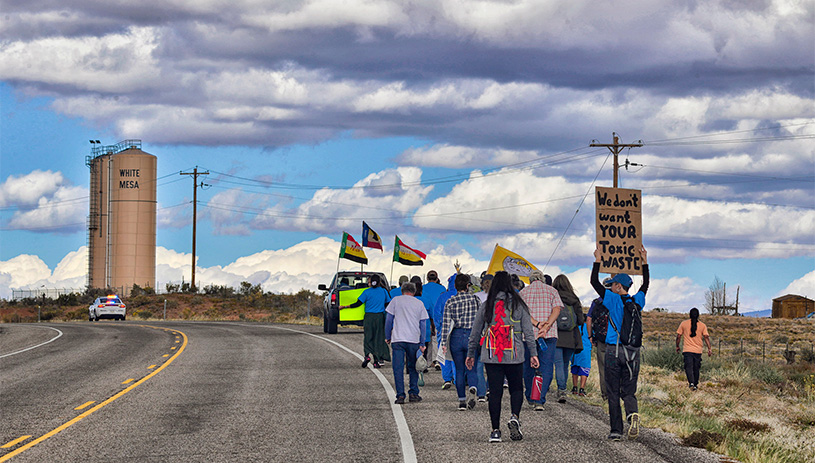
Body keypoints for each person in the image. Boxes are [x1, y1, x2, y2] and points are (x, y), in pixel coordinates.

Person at [466, 271, 539, 443]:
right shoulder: (520, 305)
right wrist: (533, 354)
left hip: (492, 355)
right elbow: (529, 332)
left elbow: (475, 332)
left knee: (495, 392)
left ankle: (495, 431)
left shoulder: (487, 305)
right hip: (515, 354)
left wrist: (470, 354)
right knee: (516, 389)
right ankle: (514, 416)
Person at [590, 245, 649, 442]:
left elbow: (593, 282)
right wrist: (644, 261)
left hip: (613, 351)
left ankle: (616, 430)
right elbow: (645, 285)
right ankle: (632, 413)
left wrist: (598, 259)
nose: (612, 286)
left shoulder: (612, 300)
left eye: (614, 284)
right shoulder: (637, 300)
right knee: (629, 390)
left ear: (617, 287)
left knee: (613, 391)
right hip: (633, 352)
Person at [519, 269, 562, 411]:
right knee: (546, 366)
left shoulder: (523, 293)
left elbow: (523, 313)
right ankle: (540, 400)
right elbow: (557, 309)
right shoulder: (552, 291)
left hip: (529, 334)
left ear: (530, 280)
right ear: (542, 279)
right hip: (548, 334)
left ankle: (530, 396)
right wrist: (547, 325)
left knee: (528, 366)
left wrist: (537, 324)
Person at [440, 274, 483, 410]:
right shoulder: (475, 299)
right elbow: (481, 319)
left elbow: (446, 324)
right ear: (467, 285)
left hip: (456, 336)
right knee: (472, 366)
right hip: (472, 335)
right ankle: (473, 387)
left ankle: (462, 401)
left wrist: (443, 343)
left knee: (459, 369)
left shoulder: (451, 301)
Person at [385, 282, 429, 404]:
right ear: (414, 292)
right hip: (413, 339)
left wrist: (388, 336)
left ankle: (400, 395)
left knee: (398, 368)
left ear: (402, 291)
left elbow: (389, 320)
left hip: (398, 339)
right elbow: (423, 324)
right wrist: (422, 342)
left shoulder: (395, 301)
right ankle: (413, 393)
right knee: (413, 367)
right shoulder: (419, 303)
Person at [339, 274, 392, 368]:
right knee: (378, 338)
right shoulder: (384, 291)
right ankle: (376, 360)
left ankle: (367, 355)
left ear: (371, 282)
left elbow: (358, 303)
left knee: (368, 337)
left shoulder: (366, 292)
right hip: (379, 317)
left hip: (369, 317)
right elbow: (388, 303)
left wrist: (345, 306)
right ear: (379, 282)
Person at [552, 274, 585, 404]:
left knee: (558, 363)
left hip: (556, 335)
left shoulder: (553, 297)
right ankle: (563, 389)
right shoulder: (574, 299)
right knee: (565, 364)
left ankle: (561, 389)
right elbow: (581, 320)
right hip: (571, 337)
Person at [586, 277, 613, 401]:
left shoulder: (596, 302)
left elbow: (589, 318)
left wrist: (590, 336)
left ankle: (605, 395)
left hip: (601, 339)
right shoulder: (616, 300)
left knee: (603, 368)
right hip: (616, 340)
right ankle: (615, 394)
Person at [433, 273, 459, 389]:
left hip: (444, 329)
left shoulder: (443, 297)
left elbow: (436, 313)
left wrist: (439, 328)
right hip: (459, 330)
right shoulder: (464, 296)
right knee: (457, 355)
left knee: (444, 353)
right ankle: (458, 379)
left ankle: (447, 379)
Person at [676, 307, 712, 391]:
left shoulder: (683, 324)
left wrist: (677, 346)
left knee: (688, 367)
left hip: (687, 350)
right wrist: (709, 348)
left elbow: (678, 336)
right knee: (696, 368)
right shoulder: (703, 325)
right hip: (698, 351)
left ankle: (691, 383)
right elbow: (706, 337)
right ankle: (695, 384)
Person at [571, 321, 592, 396]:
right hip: (586, 349)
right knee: (585, 369)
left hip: (576, 349)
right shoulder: (589, 327)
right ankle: (582, 389)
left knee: (575, 368)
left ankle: (575, 387)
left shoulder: (576, 326)